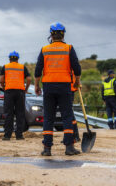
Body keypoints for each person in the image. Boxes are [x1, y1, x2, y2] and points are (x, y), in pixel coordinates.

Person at [34, 22, 82, 156]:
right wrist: (77, 82)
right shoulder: (69, 48)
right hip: (64, 86)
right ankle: (69, 147)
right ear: (63, 34)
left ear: (51, 35)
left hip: (48, 86)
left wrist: (37, 85)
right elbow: (77, 68)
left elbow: (38, 70)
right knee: (67, 116)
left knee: (48, 117)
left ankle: (47, 149)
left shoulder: (44, 49)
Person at [0, 51, 31, 140]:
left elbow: (1, 81)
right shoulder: (22, 67)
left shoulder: (5, 67)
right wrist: (26, 89)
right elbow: (28, 79)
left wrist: (4, 88)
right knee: (20, 113)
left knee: (8, 114)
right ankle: (19, 135)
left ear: (9, 58)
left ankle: (7, 135)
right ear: (18, 59)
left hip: (9, 92)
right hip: (20, 92)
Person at [71, 73, 81, 142]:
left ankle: (75, 136)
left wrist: (78, 82)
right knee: (68, 114)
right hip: (65, 89)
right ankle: (71, 136)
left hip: (69, 89)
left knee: (70, 114)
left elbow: (76, 73)